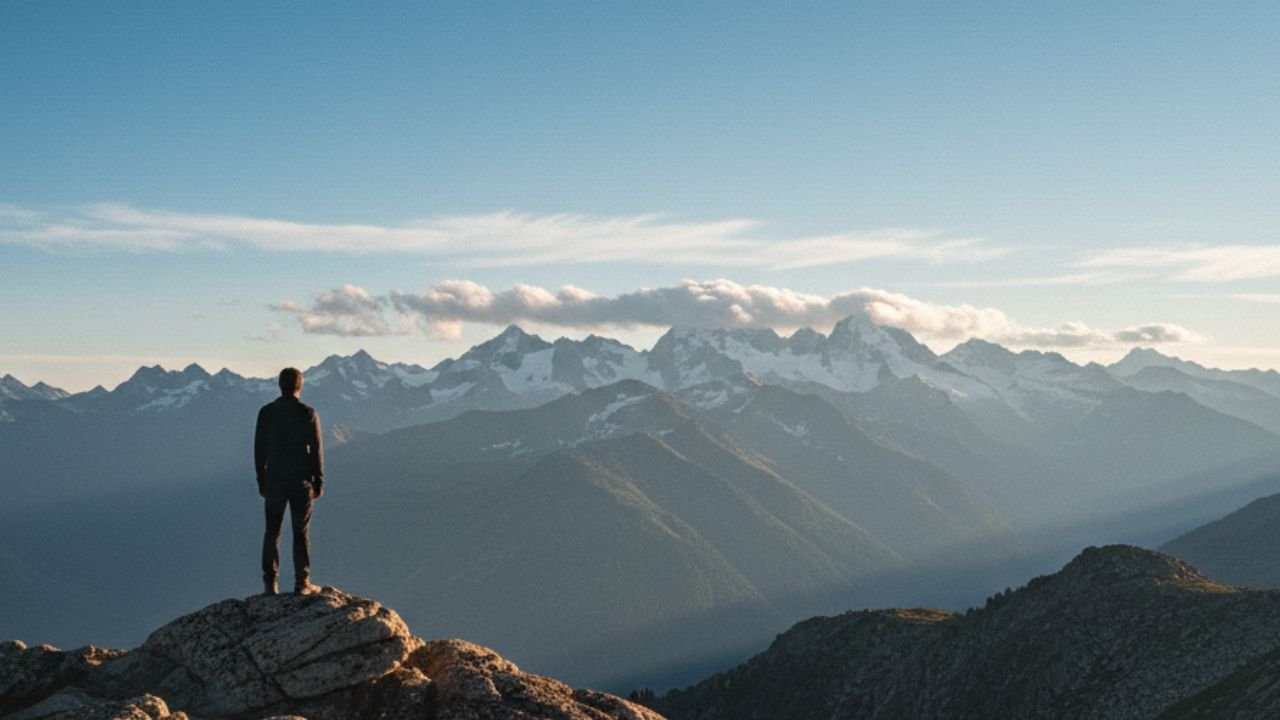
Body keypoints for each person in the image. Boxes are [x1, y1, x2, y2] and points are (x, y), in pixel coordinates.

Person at [254, 367, 324, 595]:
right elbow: (316, 449)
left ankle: (270, 584)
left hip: (274, 480)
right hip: (301, 481)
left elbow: (259, 450)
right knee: (300, 532)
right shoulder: (307, 413)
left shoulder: (267, 412)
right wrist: (318, 480)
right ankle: (302, 583)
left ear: (279, 385)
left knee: (272, 531)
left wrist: (261, 480)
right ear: (299, 386)